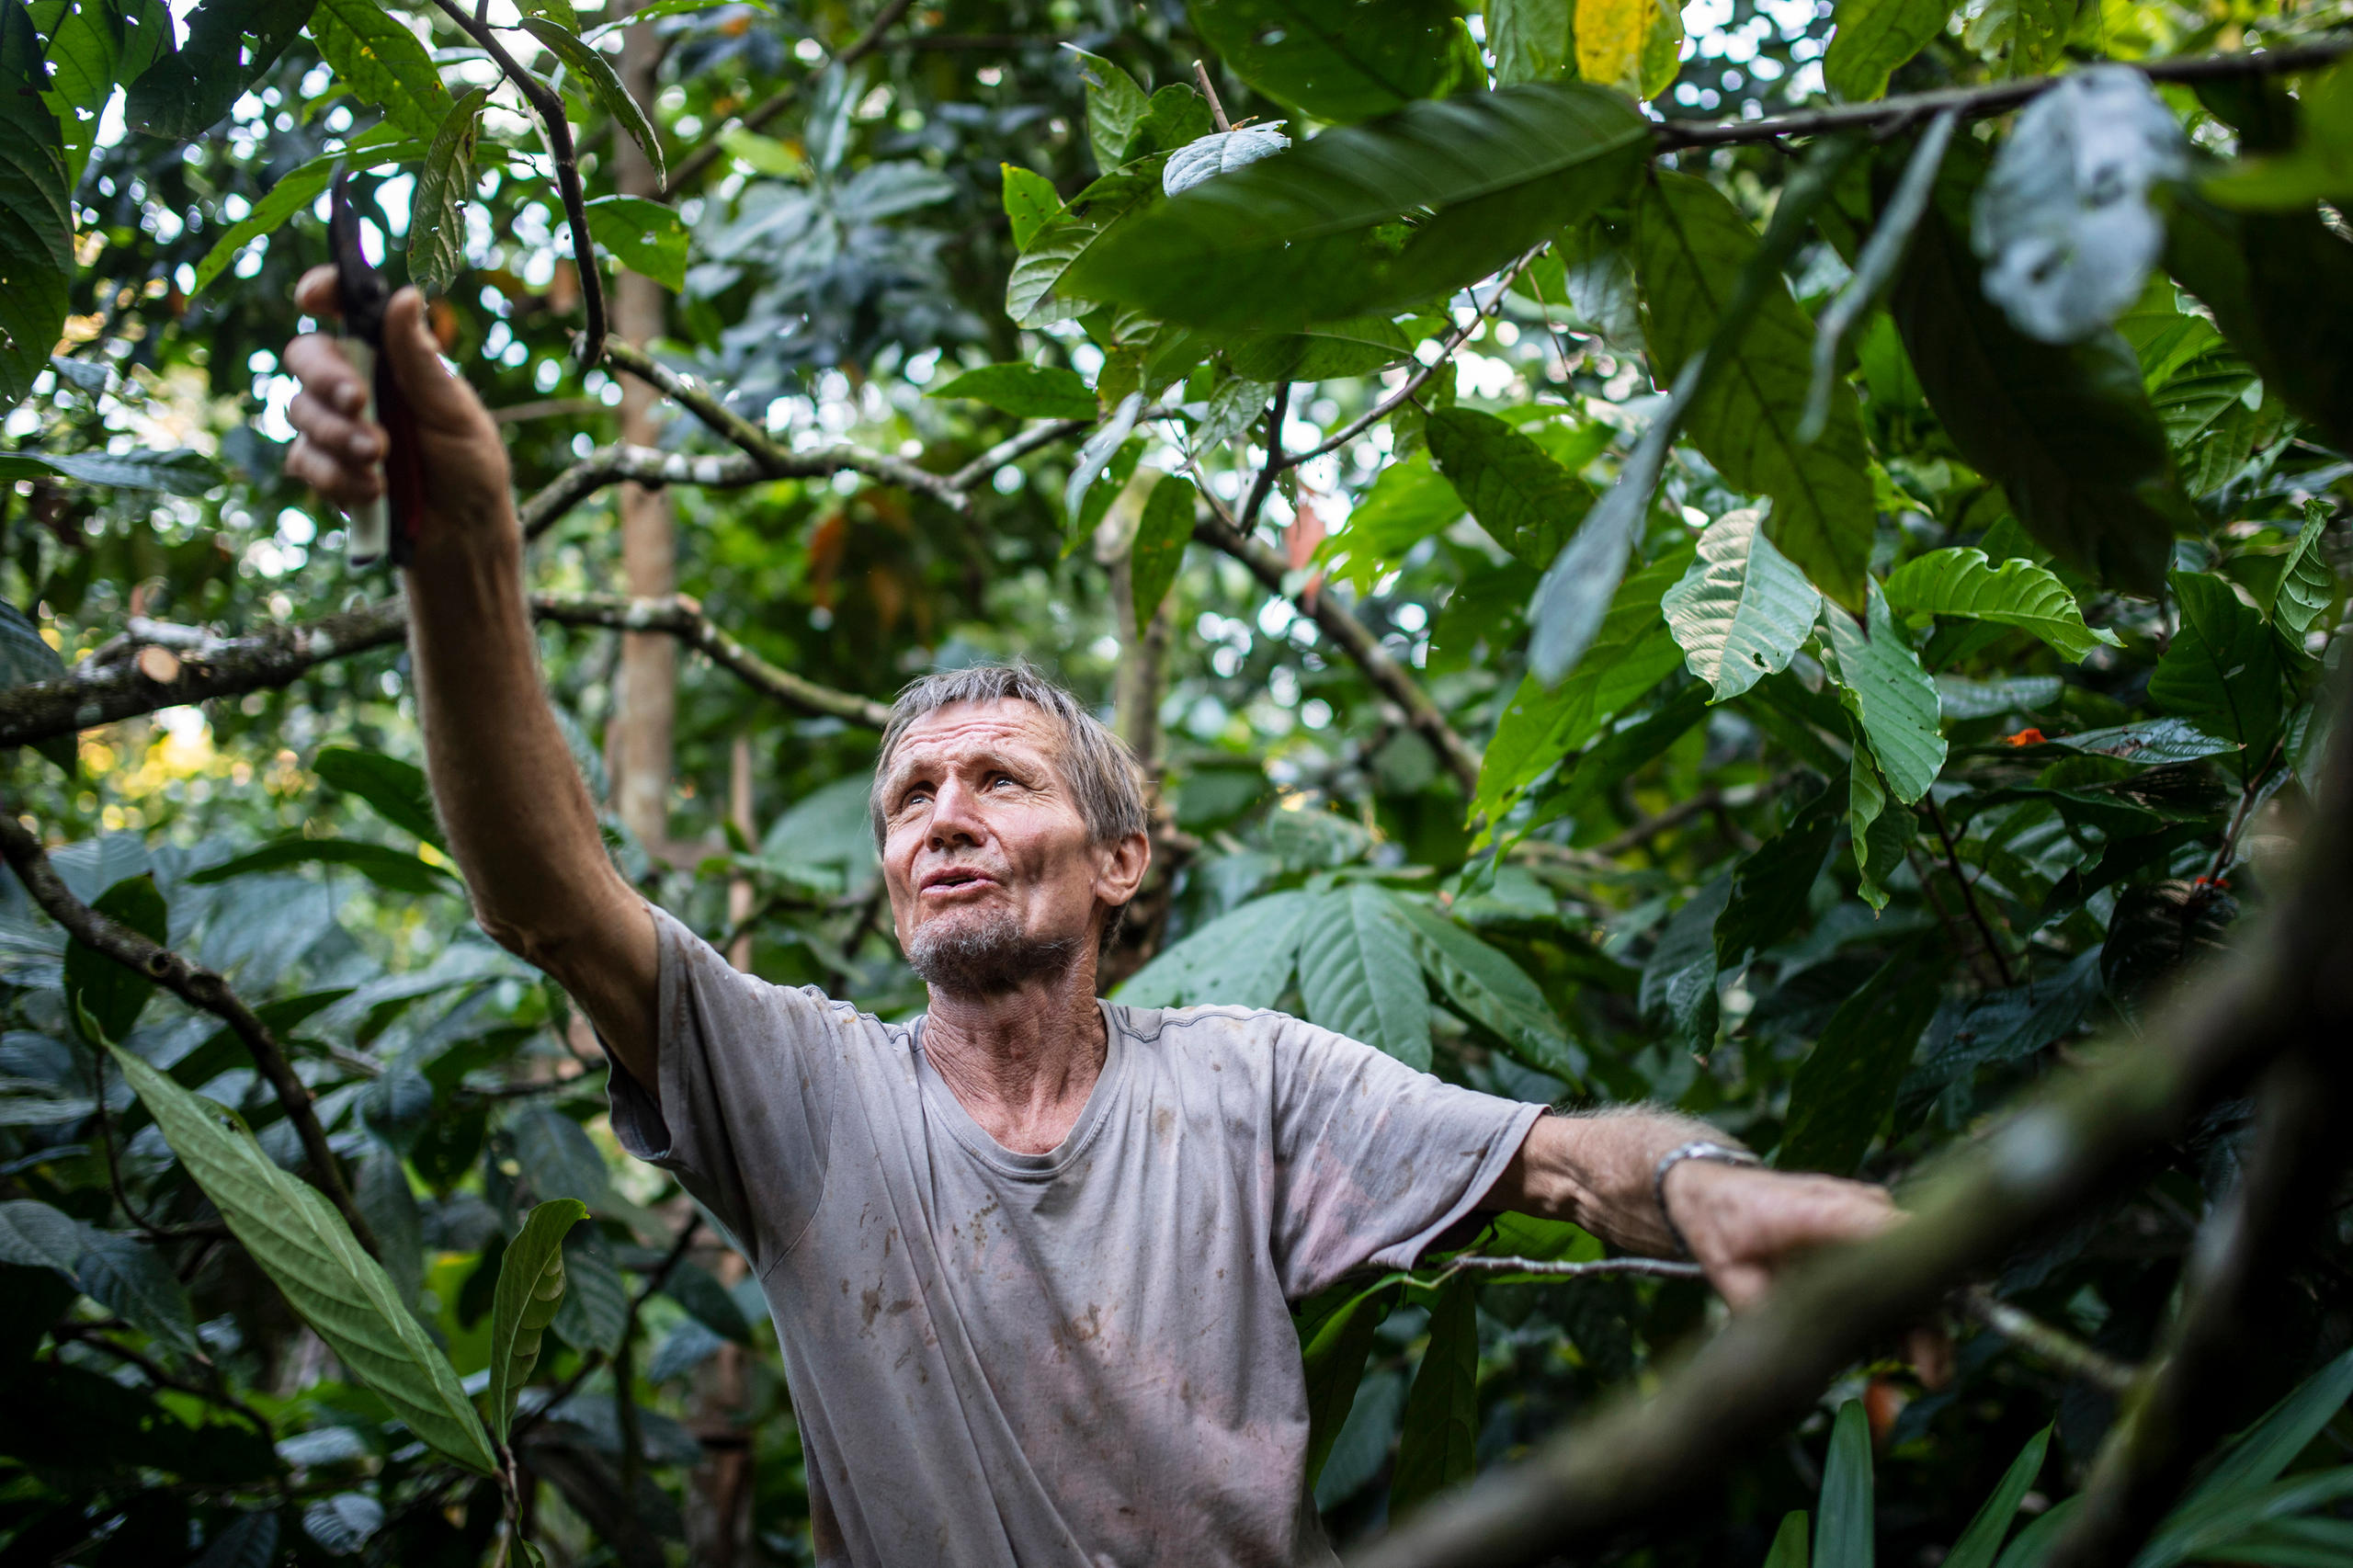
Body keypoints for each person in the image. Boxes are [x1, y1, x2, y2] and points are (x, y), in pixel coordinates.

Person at [281, 274, 1901, 1568]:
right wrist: (464, 540)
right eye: (912, 798)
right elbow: (549, 898)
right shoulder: (807, 1095)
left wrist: (1705, 1188)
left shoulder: (1247, 1082)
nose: (943, 816)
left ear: (1123, 860)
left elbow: (1557, 1160)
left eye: (999, 778)